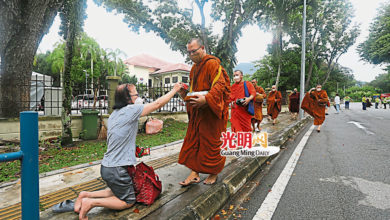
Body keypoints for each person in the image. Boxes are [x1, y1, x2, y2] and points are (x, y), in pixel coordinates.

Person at [74, 83, 183, 220]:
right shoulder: (131, 110)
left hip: (107, 167)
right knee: (128, 201)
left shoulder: (114, 114)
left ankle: (85, 195)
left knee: (116, 191)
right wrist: (174, 90)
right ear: (127, 98)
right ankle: (90, 203)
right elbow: (157, 104)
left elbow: (121, 136)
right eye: (135, 94)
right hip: (117, 169)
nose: (138, 97)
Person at [177, 38, 231, 186]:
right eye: (189, 52)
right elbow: (195, 90)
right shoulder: (194, 68)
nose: (191, 54)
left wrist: (207, 99)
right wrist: (185, 94)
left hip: (212, 113)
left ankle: (213, 172)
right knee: (196, 142)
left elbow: (220, 86)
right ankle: (195, 173)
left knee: (212, 143)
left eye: (194, 51)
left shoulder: (212, 63)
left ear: (202, 48)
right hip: (199, 112)